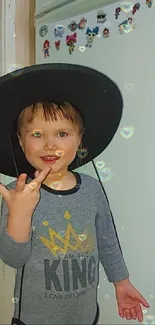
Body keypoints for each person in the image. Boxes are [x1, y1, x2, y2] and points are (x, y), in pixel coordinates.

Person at [0, 64, 150, 325]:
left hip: (84, 316)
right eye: (37, 134)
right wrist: (19, 217)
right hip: (34, 319)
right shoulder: (18, 194)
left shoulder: (91, 189)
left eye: (62, 133)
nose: (50, 144)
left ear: (79, 139)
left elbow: (107, 239)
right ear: (21, 142)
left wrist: (121, 282)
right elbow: (14, 259)